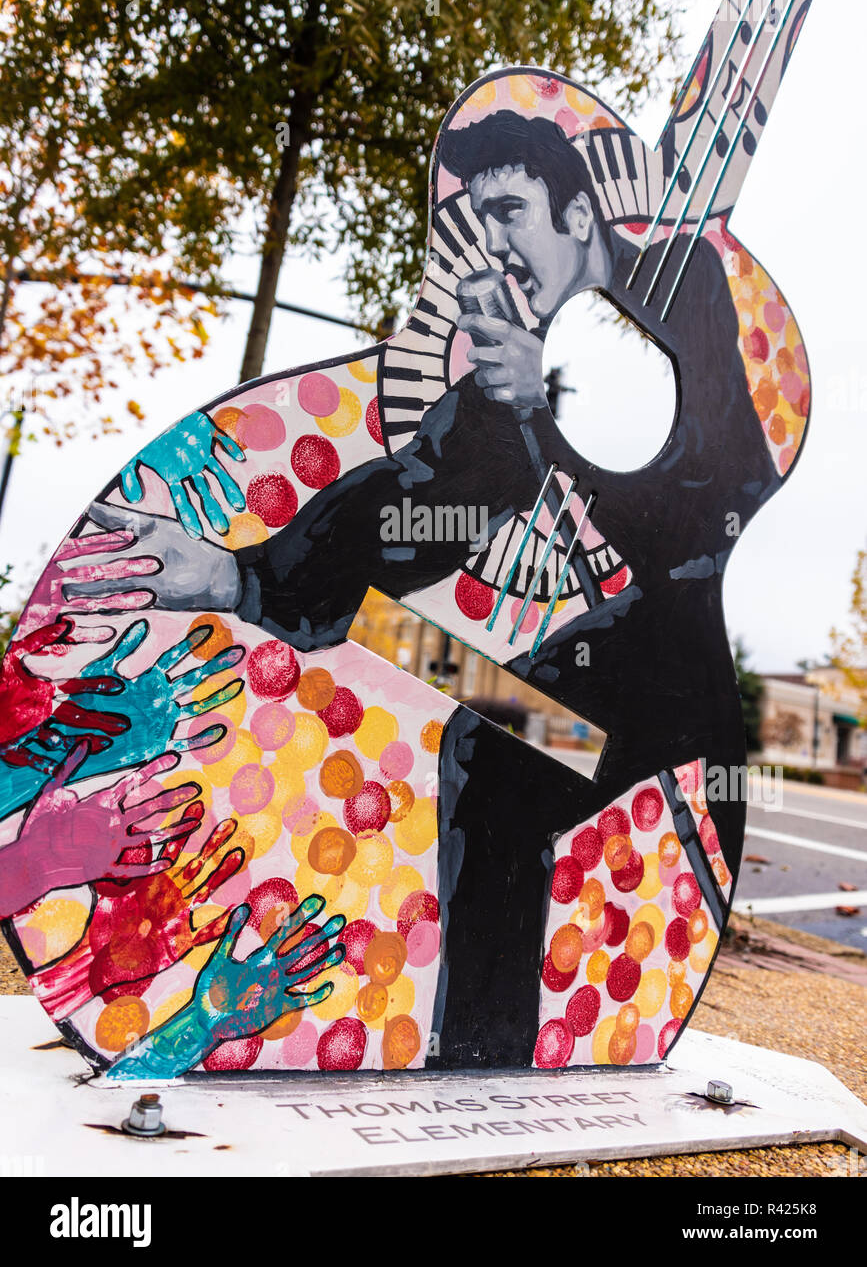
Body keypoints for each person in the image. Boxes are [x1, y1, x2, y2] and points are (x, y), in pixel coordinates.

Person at [64, 111, 778, 1066]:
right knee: (495, 764)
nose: (502, 246)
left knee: (529, 761)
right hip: (625, 626)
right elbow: (429, 490)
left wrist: (562, 399)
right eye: (484, 222)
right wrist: (240, 575)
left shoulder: (680, 284)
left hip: (680, 619)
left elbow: (724, 482)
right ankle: (478, 1047)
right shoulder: (510, 346)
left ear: (576, 213)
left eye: (514, 213)